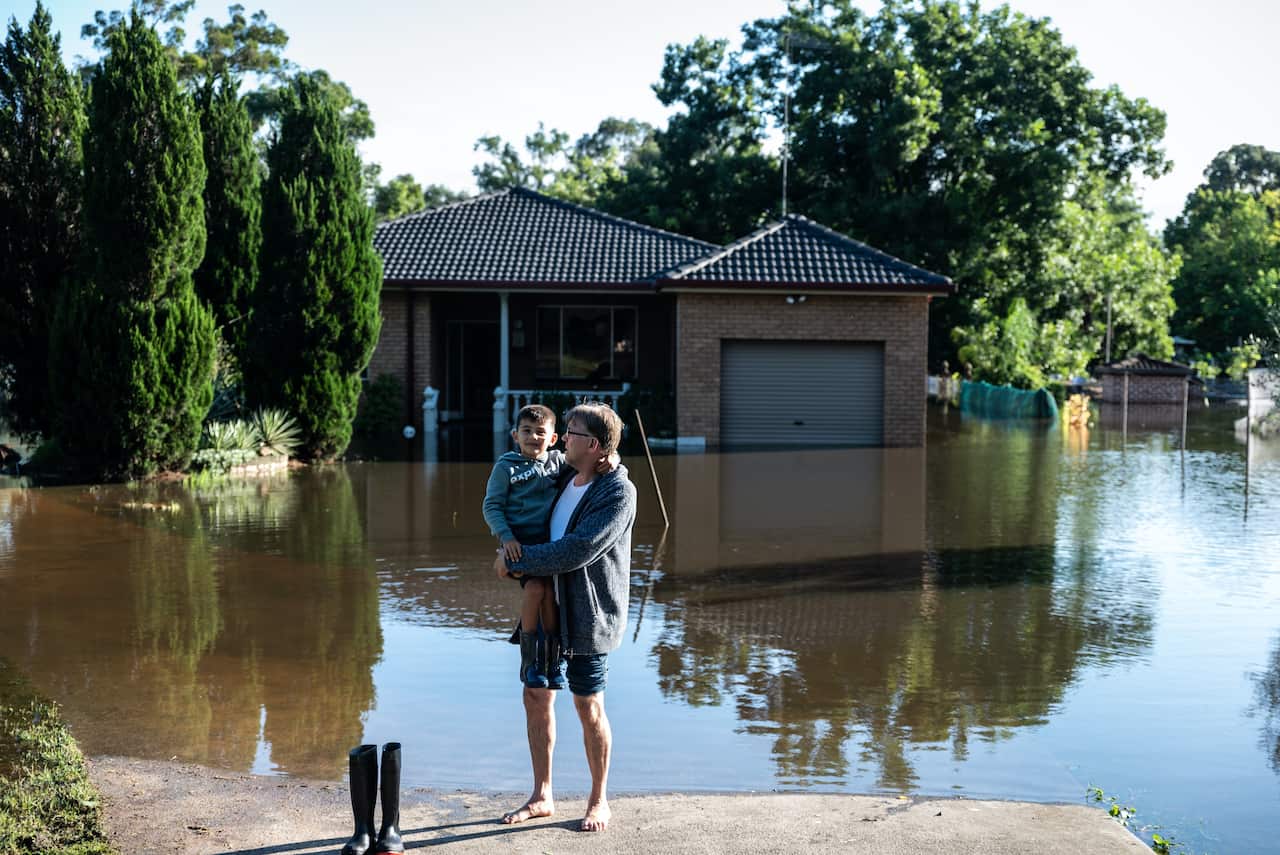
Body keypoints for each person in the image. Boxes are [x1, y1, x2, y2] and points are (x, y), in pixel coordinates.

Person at [493, 403, 636, 833]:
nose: (562, 437)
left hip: (589, 616)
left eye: (570, 432)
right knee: (536, 697)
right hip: (545, 608)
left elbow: (577, 549)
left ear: (592, 445)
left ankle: (598, 800)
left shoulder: (617, 493)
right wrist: (507, 545)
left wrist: (518, 563)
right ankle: (542, 795)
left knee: (588, 705)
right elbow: (518, 501)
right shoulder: (560, 476)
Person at [482, 404, 565, 683]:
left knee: (551, 599)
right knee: (534, 588)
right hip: (521, 545)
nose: (533, 437)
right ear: (515, 436)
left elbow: (590, 462)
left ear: (553, 438)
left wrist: (612, 458)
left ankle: (553, 664)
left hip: (551, 546)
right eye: (526, 431)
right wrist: (507, 538)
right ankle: (529, 665)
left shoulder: (558, 462)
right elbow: (492, 506)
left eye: (541, 432)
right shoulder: (506, 467)